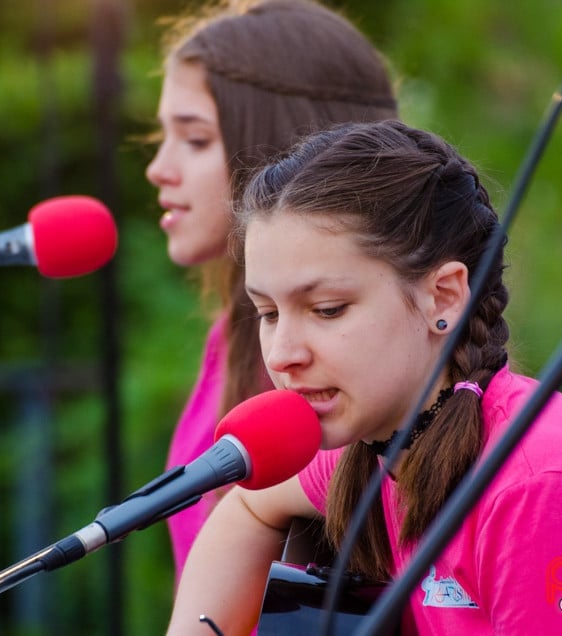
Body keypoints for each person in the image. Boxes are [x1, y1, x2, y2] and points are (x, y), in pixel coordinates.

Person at [166, 119, 562, 635]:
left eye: (328, 309)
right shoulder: (381, 440)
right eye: (268, 313)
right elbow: (250, 504)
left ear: (443, 297)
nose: (282, 353)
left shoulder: (542, 489)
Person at [144, 0, 399, 580]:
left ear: (281, 148)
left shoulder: (350, 370)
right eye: (162, 137)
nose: (158, 168)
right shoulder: (231, 337)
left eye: (196, 139)